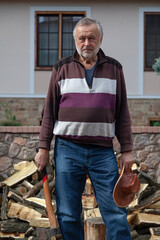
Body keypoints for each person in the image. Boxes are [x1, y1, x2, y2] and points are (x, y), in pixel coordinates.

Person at [35, 17, 134, 240]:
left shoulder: (114, 69)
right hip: (68, 149)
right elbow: (49, 112)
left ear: (100, 40)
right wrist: (43, 148)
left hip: (103, 151)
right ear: (75, 40)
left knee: (115, 211)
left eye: (91, 38)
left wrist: (127, 150)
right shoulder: (61, 68)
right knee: (69, 214)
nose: (86, 43)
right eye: (82, 38)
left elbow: (122, 113)